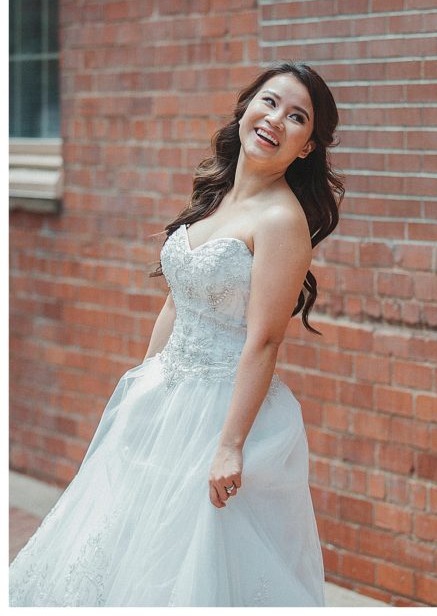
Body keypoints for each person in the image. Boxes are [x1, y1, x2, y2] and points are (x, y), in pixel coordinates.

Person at [10, 62, 345, 606]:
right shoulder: (215, 196)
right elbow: (177, 299)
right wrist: (141, 386)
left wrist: (230, 447)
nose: (276, 119)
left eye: (296, 117)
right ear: (246, 109)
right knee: (127, 544)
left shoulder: (281, 222)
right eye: (270, 102)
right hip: (165, 397)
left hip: (219, 412)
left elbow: (264, 341)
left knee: (195, 561)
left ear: (307, 147)